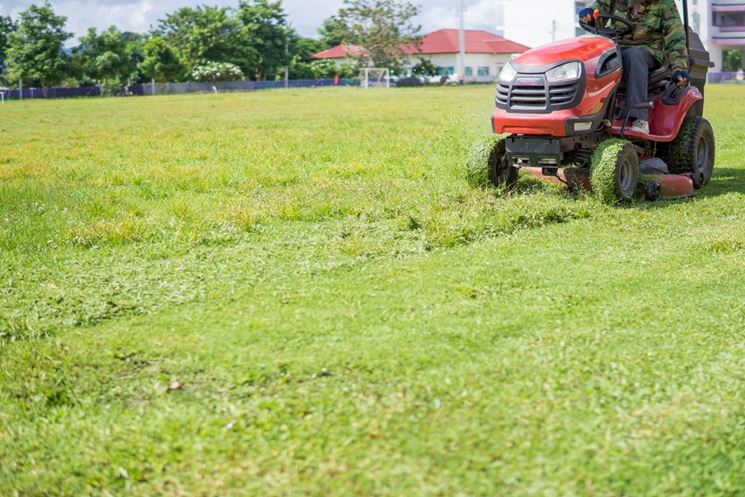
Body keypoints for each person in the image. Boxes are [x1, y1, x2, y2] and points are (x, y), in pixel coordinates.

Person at [579, 0, 691, 134]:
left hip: (649, 50)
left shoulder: (664, 4)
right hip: (618, 47)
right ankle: (587, 113)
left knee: (633, 55)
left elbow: (676, 39)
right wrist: (589, 16)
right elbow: (599, 11)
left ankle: (639, 118)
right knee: (593, 56)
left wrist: (679, 69)